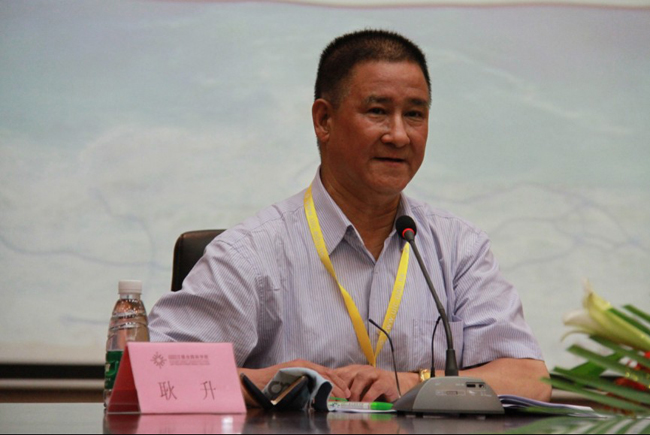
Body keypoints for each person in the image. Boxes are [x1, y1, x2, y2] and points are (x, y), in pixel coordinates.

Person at [148, 29, 551, 406]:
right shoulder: (251, 254)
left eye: (415, 114)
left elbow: (530, 379)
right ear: (324, 120)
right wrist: (263, 383)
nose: (399, 135)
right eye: (378, 111)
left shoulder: (458, 248)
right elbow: (152, 376)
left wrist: (414, 382)